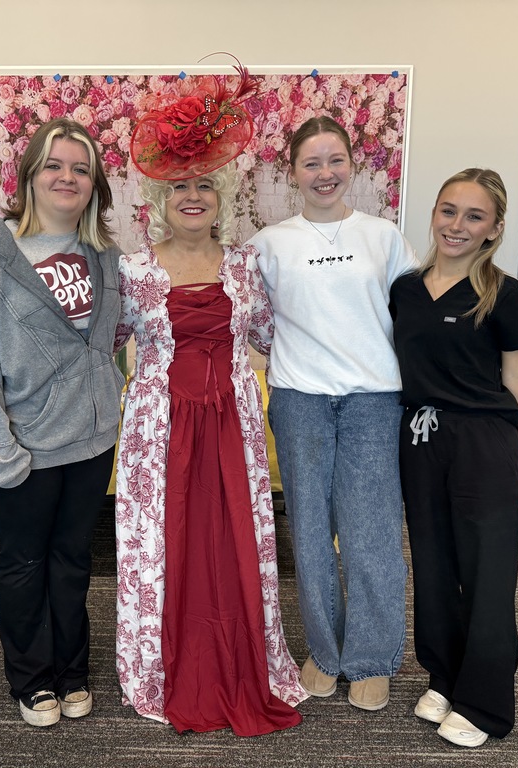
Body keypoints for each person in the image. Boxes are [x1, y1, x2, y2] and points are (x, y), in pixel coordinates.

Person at [114, 65, 307, 736]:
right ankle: (165, 669)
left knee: (229, 545)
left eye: (204, 185)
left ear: (221, 195)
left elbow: (269, 335)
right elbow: (104, 342)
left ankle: (241, 662)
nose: (192, 197)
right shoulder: (133, 271)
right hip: (158, 432)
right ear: (158, 198)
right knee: (168, 546)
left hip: (231, 422)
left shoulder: (247, 266)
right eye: (179, 187)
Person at [0, 118, 123, 729]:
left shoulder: (104, 255)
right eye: (54, 165)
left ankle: (73, 669)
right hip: (23, 446)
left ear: (93, 182)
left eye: (80, 168)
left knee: (74, 560)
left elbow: (111, 344)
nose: (67, 177)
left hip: (92, 440)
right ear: (28, 177)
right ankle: (32, 678)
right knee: (24, 563)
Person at [247, 116, 415, 712]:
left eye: (335, 160)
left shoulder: (384, 237)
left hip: (374, 400)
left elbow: (422, 306)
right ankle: (324, 651)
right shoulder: (268, 244)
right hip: (299, 400)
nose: (325, 173)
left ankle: (371, 658)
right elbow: (241, 312)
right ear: (292, 172)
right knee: (311, 534)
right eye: (312, 163)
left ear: (354, 164)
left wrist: (496, 291)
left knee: (371, 534)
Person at [390, 168, 518, 747]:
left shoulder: (502, 294)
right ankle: (445, 677)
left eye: (473, 216)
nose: (457, 225)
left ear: (494, 229)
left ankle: (485, 704)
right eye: (448, 210)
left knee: (486, 574)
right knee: (433, 567)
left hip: (485, 442)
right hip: (420, 441)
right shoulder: (404, 287)